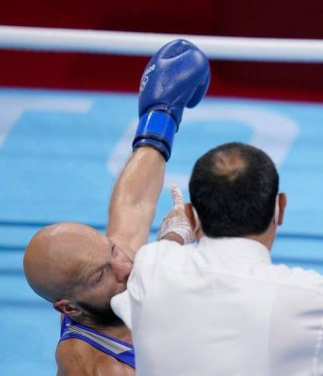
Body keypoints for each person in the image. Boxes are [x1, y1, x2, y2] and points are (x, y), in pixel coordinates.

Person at [110, 141, 323, 376]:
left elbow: (155, 249)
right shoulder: (313, 296)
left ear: (191, 215)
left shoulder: (152, 265)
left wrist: (175, 234)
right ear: (280, 209)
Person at [22, 38, 211, 375]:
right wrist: (172, 244)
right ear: (69, 308)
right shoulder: (100, 367)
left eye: (112, 250)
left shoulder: (109, 270)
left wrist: (162, 114)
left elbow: (133, 203)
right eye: (100, 275)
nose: (125, 266)